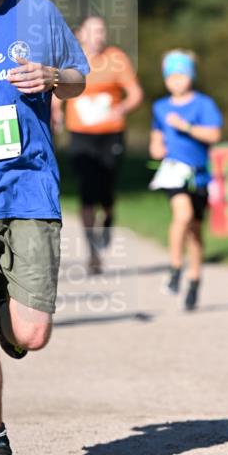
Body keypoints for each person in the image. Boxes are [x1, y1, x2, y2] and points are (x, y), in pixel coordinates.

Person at [0, 0, 89, 455]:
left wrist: (53, 76)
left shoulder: (37, 12)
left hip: (29, 188)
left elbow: (80, 77)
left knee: (31, 334)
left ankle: (9, 311)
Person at [55, 15, 143, 274]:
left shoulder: (116, 58)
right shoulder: (69, 59)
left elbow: (135, 94)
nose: (99, 36)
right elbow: (58, 92)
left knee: (106, 187)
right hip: (81, 134)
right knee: (86, 190)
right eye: (93, 31)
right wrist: (56, 113)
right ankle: (93, 253)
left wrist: (122, 109)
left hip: (110, 134)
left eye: (102, 31)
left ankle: (109, 214)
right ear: (80, 34)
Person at [149, 50, 222, 311]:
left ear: (190, 77)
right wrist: (156, 147)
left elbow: (214, 135)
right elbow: (156, 137)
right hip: (173, 172)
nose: (176, 82)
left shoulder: (204, 104)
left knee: (195, 231)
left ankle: (194, 279)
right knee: (182, 215)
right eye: (171, 77)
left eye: (181, 76)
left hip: (200, 174)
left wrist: (187, 127)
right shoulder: (160, 107)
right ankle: (175, 268)